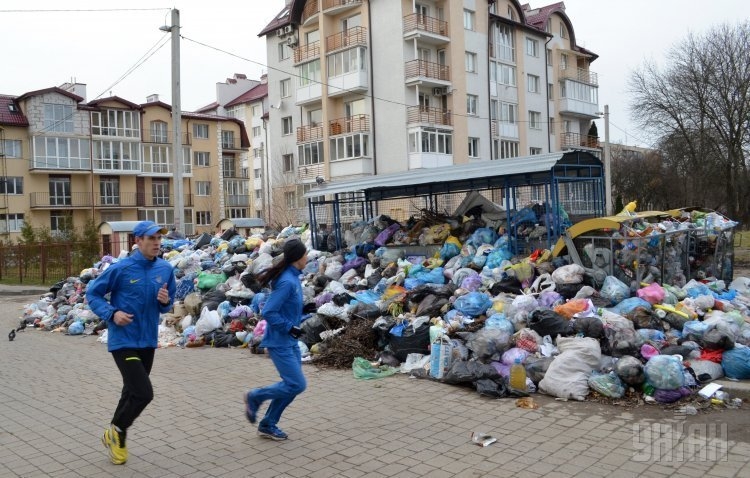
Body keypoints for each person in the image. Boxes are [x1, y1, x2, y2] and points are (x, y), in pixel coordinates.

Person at [86, 220, 176, 465]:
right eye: (151, 238)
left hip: (147, 340)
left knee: (131, 391)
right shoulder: (121, 268)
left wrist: (165, 301)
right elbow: (92, 294)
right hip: (123, 339)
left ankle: (114, 433)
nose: (157, 243)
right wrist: (112, 313)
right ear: (137, 241)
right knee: (143, 393)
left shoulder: (166, 269)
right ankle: (117, 431)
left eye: (159, 238)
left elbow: (168, 305)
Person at [244, 238, 308, 441]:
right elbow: (270, 311)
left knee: (291, 386)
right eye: (305, 254)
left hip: (288, 341)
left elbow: (285, 306)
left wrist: (303, 310)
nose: (307, 257)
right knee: (296, 384)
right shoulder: (288, 281)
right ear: (298, 257)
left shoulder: (293, 276)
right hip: (280, 342)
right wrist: (290, 328)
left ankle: (268, 424)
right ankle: (255, 396)